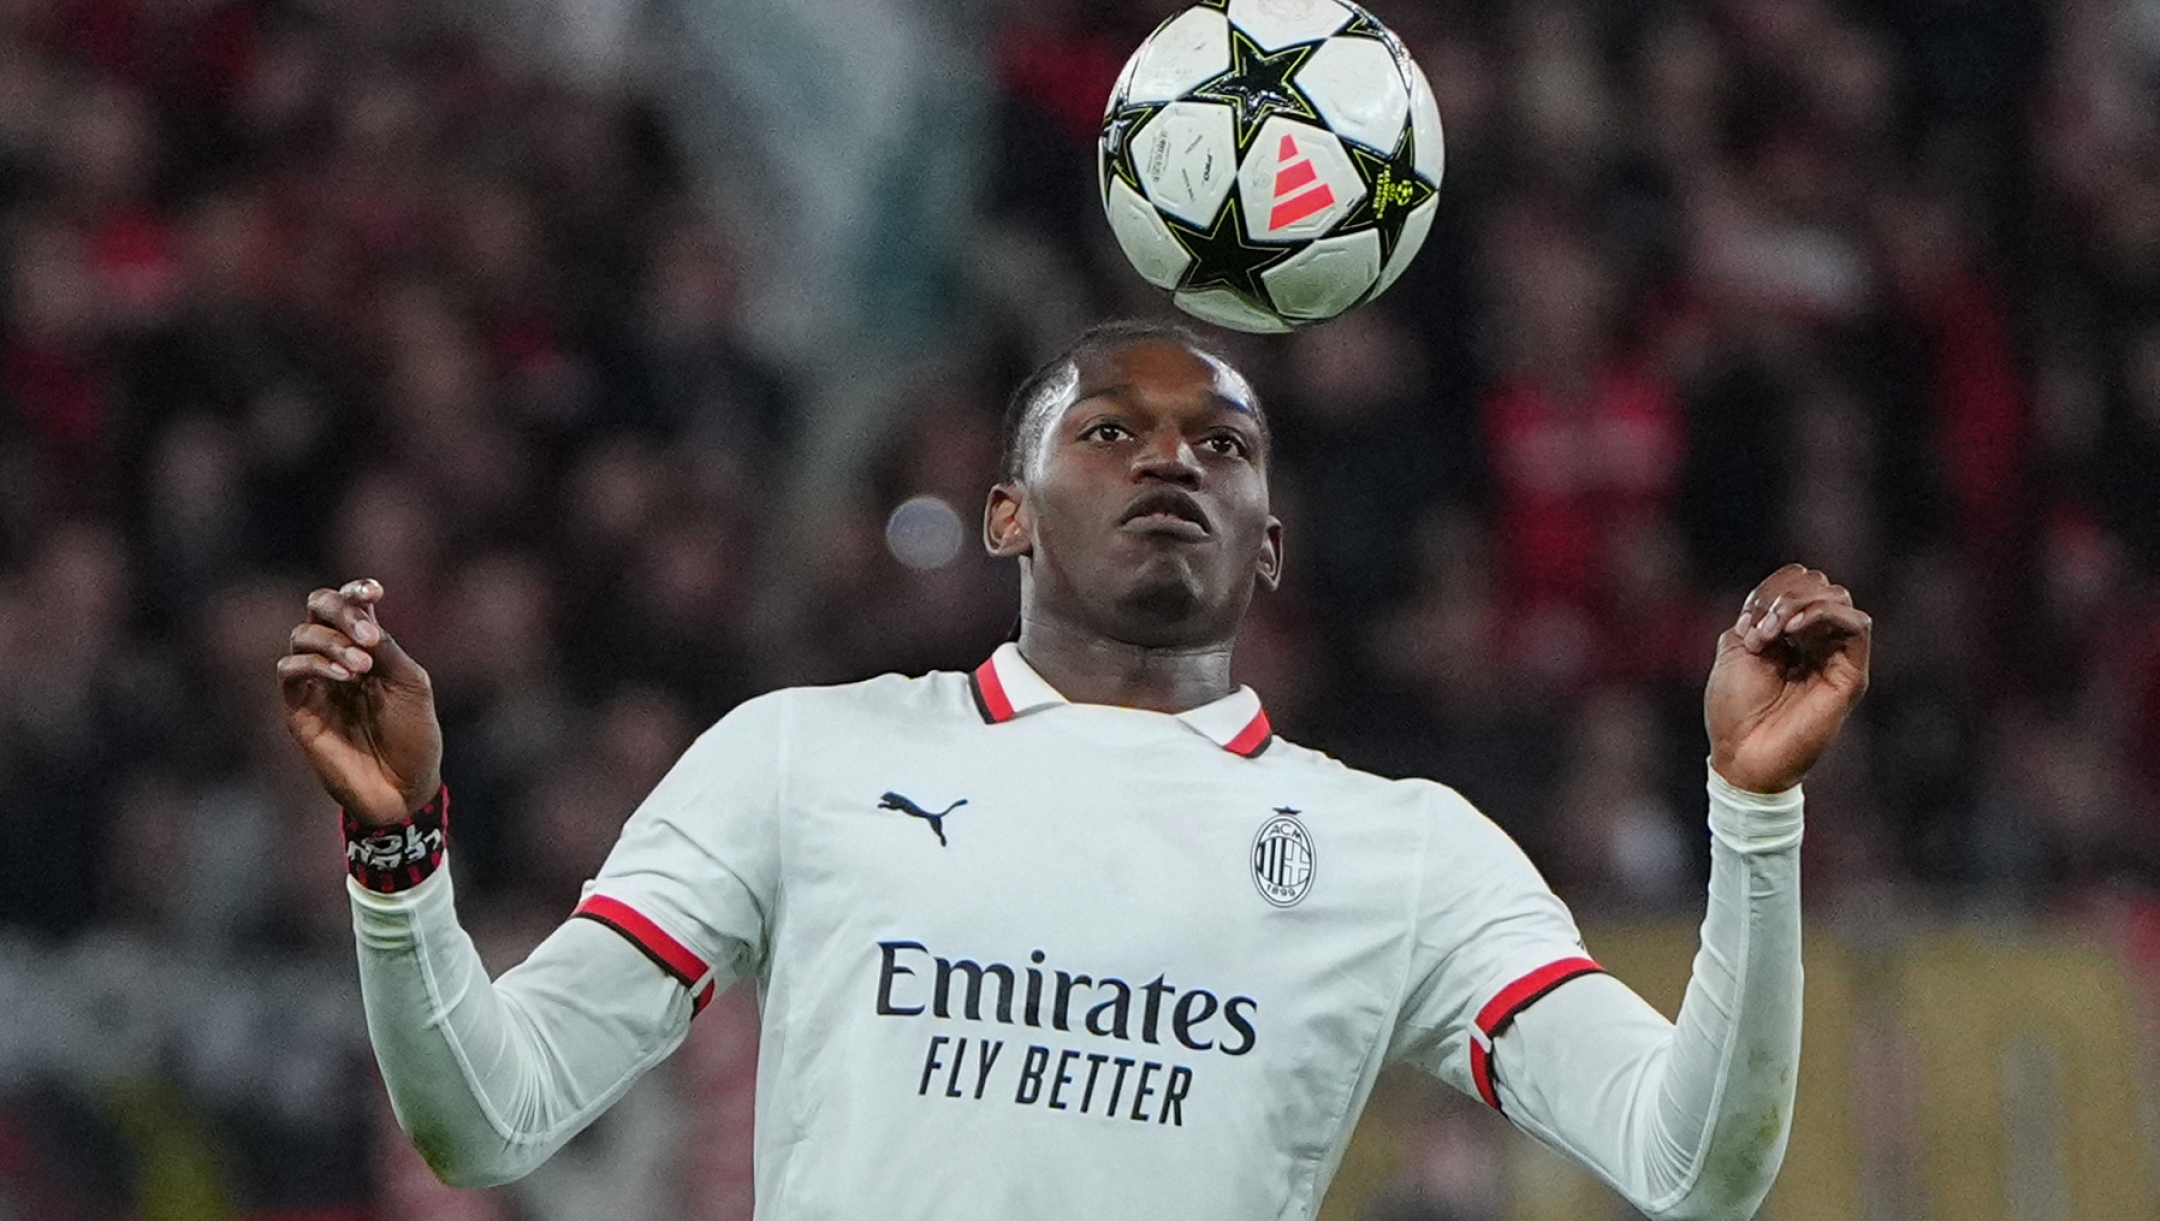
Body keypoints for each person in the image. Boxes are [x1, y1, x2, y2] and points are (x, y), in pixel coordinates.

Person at [278, 321, 1870, 1220]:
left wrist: (1754, 817)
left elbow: (1696, 1166)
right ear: (1008, 512)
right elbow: (489, 1117)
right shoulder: (798, 758)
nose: (1173, 457)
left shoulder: (1404, 853)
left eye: (1224, 446)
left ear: (1273, 547)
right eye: (1109, 431)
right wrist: (404, 858)